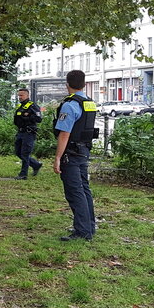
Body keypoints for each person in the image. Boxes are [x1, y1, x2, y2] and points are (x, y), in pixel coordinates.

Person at [53, 70, 98, 242]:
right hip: (84, 151)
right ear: (84, 84)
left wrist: (58, 157)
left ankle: (82, 232)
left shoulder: (69, 105)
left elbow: (65, 133)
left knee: (75, 192)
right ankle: (89, 227)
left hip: (71, 152)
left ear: (67, 84)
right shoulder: (89, 102)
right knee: (84, 190)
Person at [13, 88, 43, 180]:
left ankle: (23, 174)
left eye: (21, 95)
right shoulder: (21, 106)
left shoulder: (32, 106)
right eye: (19, 95)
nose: (20, 97)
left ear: (27, 95)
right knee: (18, 152)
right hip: (21, 132)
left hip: (29, 132)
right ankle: (36, 165)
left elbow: (39, 119)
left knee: (25, 153)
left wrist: (27, 117)